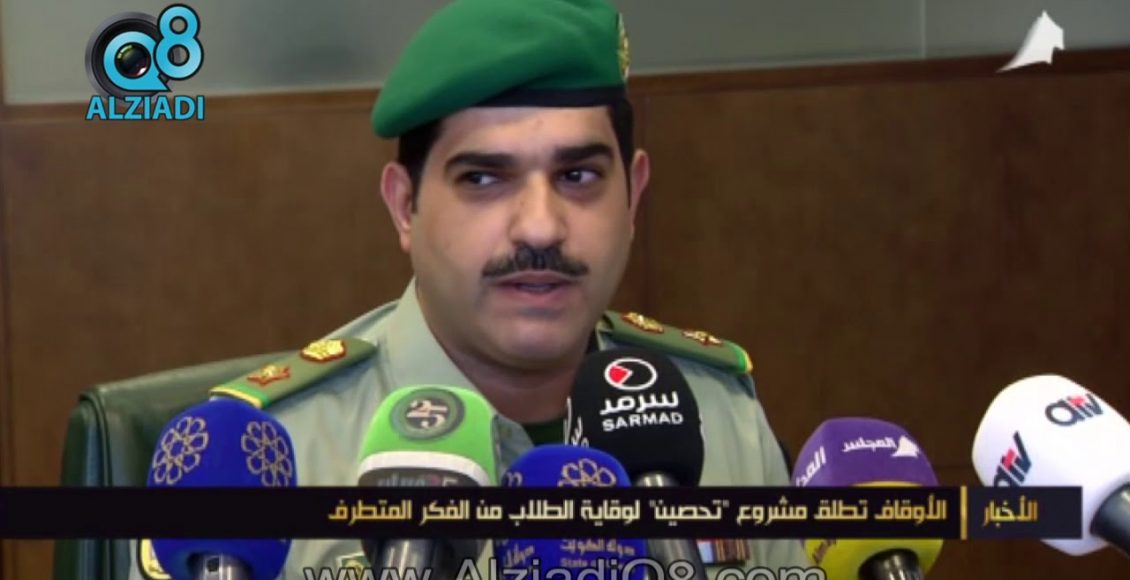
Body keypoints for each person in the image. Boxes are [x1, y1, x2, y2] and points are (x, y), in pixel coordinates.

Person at [130, 0, 808, 577]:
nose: (540, 226)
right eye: (484, 179)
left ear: (633, 196)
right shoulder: (266, 460)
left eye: (578, 176)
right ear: (405, 208)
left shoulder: (720, 417)